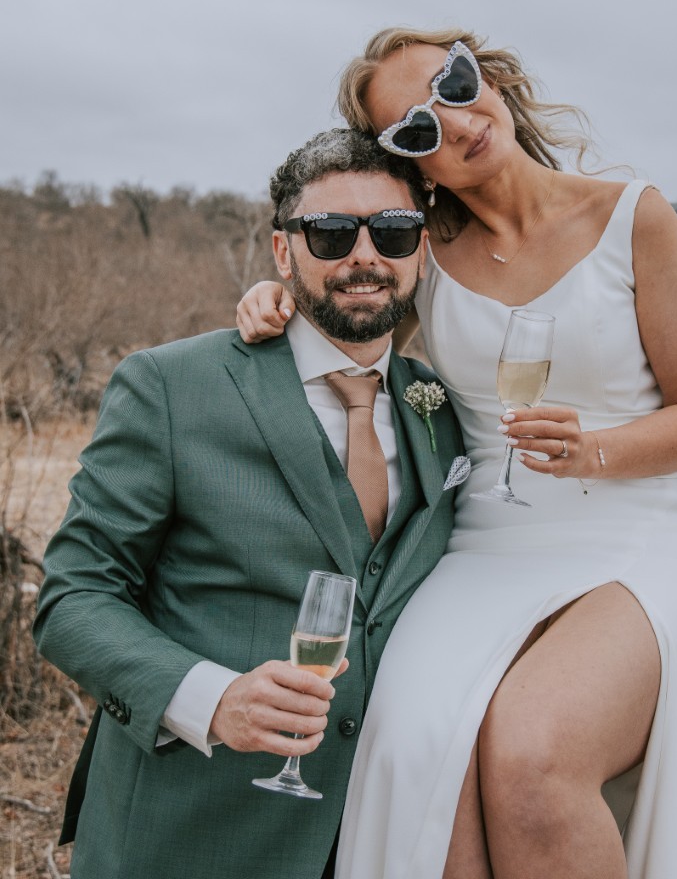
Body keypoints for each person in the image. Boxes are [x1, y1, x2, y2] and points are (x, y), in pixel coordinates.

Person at [236, 28, 677, 879]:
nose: (455, 121)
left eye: (455, 83)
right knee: (419, 747)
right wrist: (277, 294)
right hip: (486, 545)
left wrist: (594, 452)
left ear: (492, 77)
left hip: (647, 531)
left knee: (534, 750)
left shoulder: (634, 216)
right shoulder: (424, 255)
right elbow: (348, 323)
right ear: (411, 165)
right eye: (416, 129)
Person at [33, 128, 466, 879]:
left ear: (421, 251)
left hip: (384, 836)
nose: (365, 255)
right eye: (331, 233)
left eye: (393, 231)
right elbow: (73, 597)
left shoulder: (448, 408)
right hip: (191, 829)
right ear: (283, 253)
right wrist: (213, 699)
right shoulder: (170, 386)